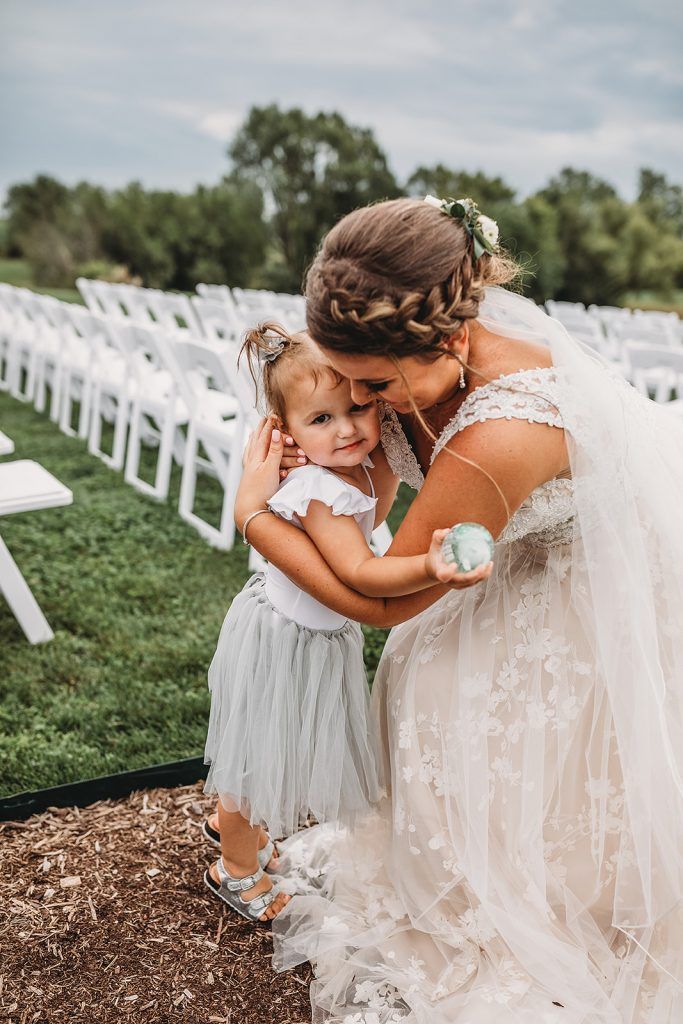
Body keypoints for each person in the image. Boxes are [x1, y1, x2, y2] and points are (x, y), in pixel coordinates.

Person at [233, 197, 683, 1020]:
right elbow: (377, 503)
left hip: (578, 589)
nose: (363, 406)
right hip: (478, 562)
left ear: (449, 340)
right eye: (346, 385)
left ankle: (556, 903)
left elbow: (385, 604)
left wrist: (256, 518)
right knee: (427, 697)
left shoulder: (500, 433)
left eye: (372, 388)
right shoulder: (404, 378)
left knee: (481, 720)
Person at [202, 321, 486, 924]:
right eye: (321, 419)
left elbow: (378, 500)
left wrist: (378, 443)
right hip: (284, 639)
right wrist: (428, 566)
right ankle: (235, 866)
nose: (346, 429)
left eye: (357, 408)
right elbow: (360, 570)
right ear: (288, 435)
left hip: (316, 635)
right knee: (253, 763)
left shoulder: (353, 470)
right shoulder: (317, 490)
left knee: (274, 747)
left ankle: (238, 833)